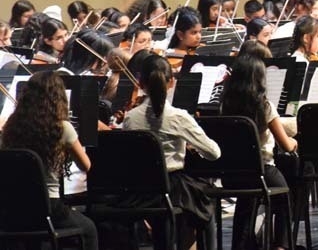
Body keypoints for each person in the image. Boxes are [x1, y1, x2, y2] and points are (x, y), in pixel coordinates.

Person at [123, 54, 221, 250]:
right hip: (173, 187)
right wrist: (187, 145)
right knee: (203, 206)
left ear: (141, 83)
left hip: (142, 189)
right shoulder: (178, 117)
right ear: (171, 83)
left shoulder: (130, 118)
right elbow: (214, 152)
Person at [1, 71, 99, 250]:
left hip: (14, 206)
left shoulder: (11, 127)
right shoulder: (62, 127)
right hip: (49, 206)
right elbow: (86, 165)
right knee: (88, 228)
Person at [221, 56, 297, 250]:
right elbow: (286, 146)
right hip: (262, 172)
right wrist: (294, 142)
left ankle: (240, 244)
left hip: (233, 173)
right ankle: (281, 245)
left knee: (246, 201)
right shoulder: (264, 106)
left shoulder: (225, 105)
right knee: (284, 196)